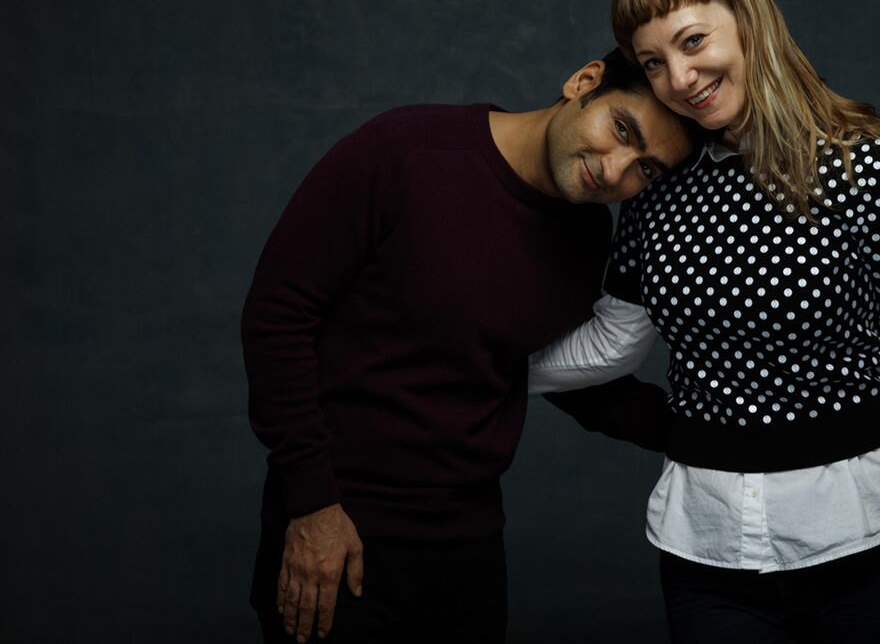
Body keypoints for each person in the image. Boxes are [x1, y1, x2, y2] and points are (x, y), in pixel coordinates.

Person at [532, 0, 880, 642]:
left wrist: (834, 423)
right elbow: (615, 340)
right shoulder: (658, 190)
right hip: (709, 553)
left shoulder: (873, 166)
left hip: (874, 541)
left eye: (693, 40)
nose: (678, 77)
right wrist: (480, 366)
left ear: (748, 19)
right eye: (653, 61)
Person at [241, 48, 695, 643]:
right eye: (621, 130)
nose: (615, 172)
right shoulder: (407, 150)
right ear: (585, 81)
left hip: (468, 547)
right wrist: (310, 506)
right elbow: (278, 314)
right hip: (339, 529)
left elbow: (545, 370)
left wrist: (709, 429)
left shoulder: (584, 236)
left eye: (647, 170)